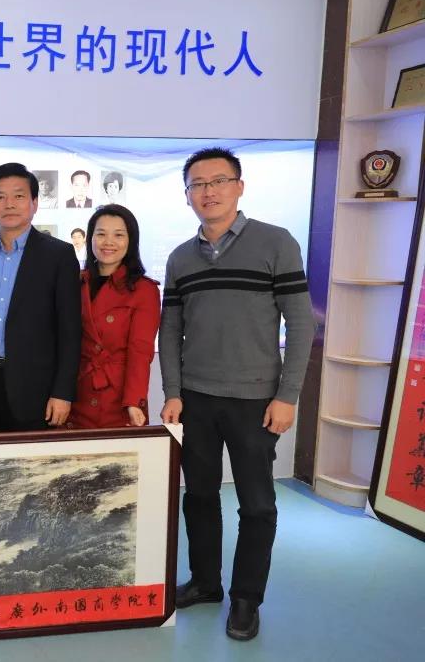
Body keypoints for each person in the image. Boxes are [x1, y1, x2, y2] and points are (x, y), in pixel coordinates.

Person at [159, 147, 315, 641]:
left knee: (257, 504)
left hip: (256, 400)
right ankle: (206, 582)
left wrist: (288, 396)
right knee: (199, 496)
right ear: (187, 195)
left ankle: (247, 598)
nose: (208, 191)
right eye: (197, 184)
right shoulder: (180, 258)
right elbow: (170, 331)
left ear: (239, 187)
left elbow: (302, 323)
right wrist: (173, 391)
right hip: (196, 399)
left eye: (218, 181)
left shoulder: (276, 242)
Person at [0, 162, 81, 433]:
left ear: (34, 203)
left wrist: (63, 392)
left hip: (36, 390)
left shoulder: (58, 256)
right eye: (0, 197)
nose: (9, 204)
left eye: (19, 196)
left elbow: (70, 331)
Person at [66, 205, 160, 429]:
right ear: (90, 239)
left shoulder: (143, 290)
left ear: (131, 240)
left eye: (118, 235)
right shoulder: (75, 282)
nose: (108, 242)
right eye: (101, 234)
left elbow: (140, 352)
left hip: (118, 398)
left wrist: (134, 401)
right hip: (74, 394)